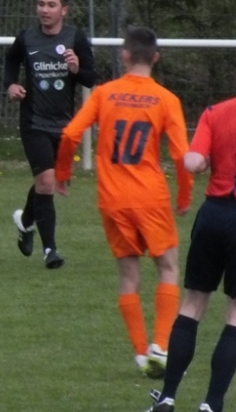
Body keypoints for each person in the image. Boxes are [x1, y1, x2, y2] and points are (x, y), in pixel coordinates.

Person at [54, 27, 192, 376]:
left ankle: (141, 354)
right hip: (151, 197)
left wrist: (62, 173)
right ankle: (161, 346)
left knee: (129, 276)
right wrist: (184, 196)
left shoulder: (104, 94)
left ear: (125, 56)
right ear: (156, 58)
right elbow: (181, 155)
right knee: (168, 268)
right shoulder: (166, 99)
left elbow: (70, 134)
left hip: (113, 199)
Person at [142, 92, 236, 412]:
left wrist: (208, 161)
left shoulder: (216, 112)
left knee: (193, 303)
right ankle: (211, 407)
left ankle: (166, 397)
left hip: (212, 216)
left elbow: (192, 162)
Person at [3, 0, 96, 269]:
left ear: (64, 10)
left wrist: (76, 68)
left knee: (47, 183)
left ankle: (25, 220)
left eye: (51, 5)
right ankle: (50, 251)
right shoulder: (27, 38)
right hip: (33, 122)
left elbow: (90, 78)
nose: (44, 10)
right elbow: (11, 60)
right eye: (41, 4)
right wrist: (11, 85)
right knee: (46, 182)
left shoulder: (75, 38)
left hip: (64, 126)